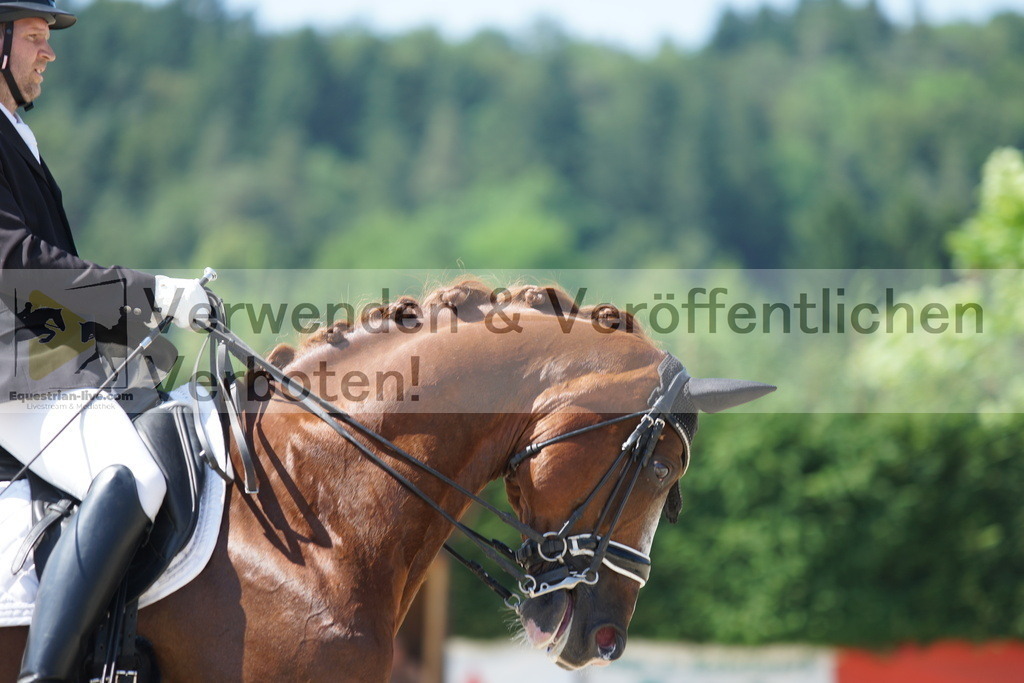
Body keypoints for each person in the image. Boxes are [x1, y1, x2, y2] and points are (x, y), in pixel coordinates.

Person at [0, 2, 211, 680]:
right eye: (34, 38)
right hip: (12, 372)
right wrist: (155, 295)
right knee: (132, 474)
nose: (48, 52)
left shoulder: (16, 136)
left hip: (38, 357)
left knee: (171, 411)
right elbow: (23, 269)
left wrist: (141, 338)